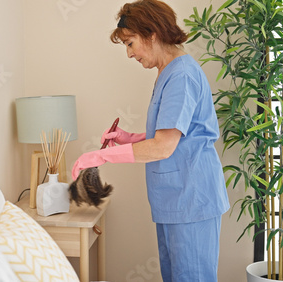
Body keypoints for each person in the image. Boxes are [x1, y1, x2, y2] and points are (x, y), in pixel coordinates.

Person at [71, 0, 230, 281]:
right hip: (175, 200)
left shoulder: (181, 75)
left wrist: (100, 156)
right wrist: (127, 138)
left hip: (191, 199)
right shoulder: (167, 72)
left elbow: (163, 147)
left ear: (152, 33)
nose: (130, 54)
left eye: (131, 43)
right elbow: (174, 134)